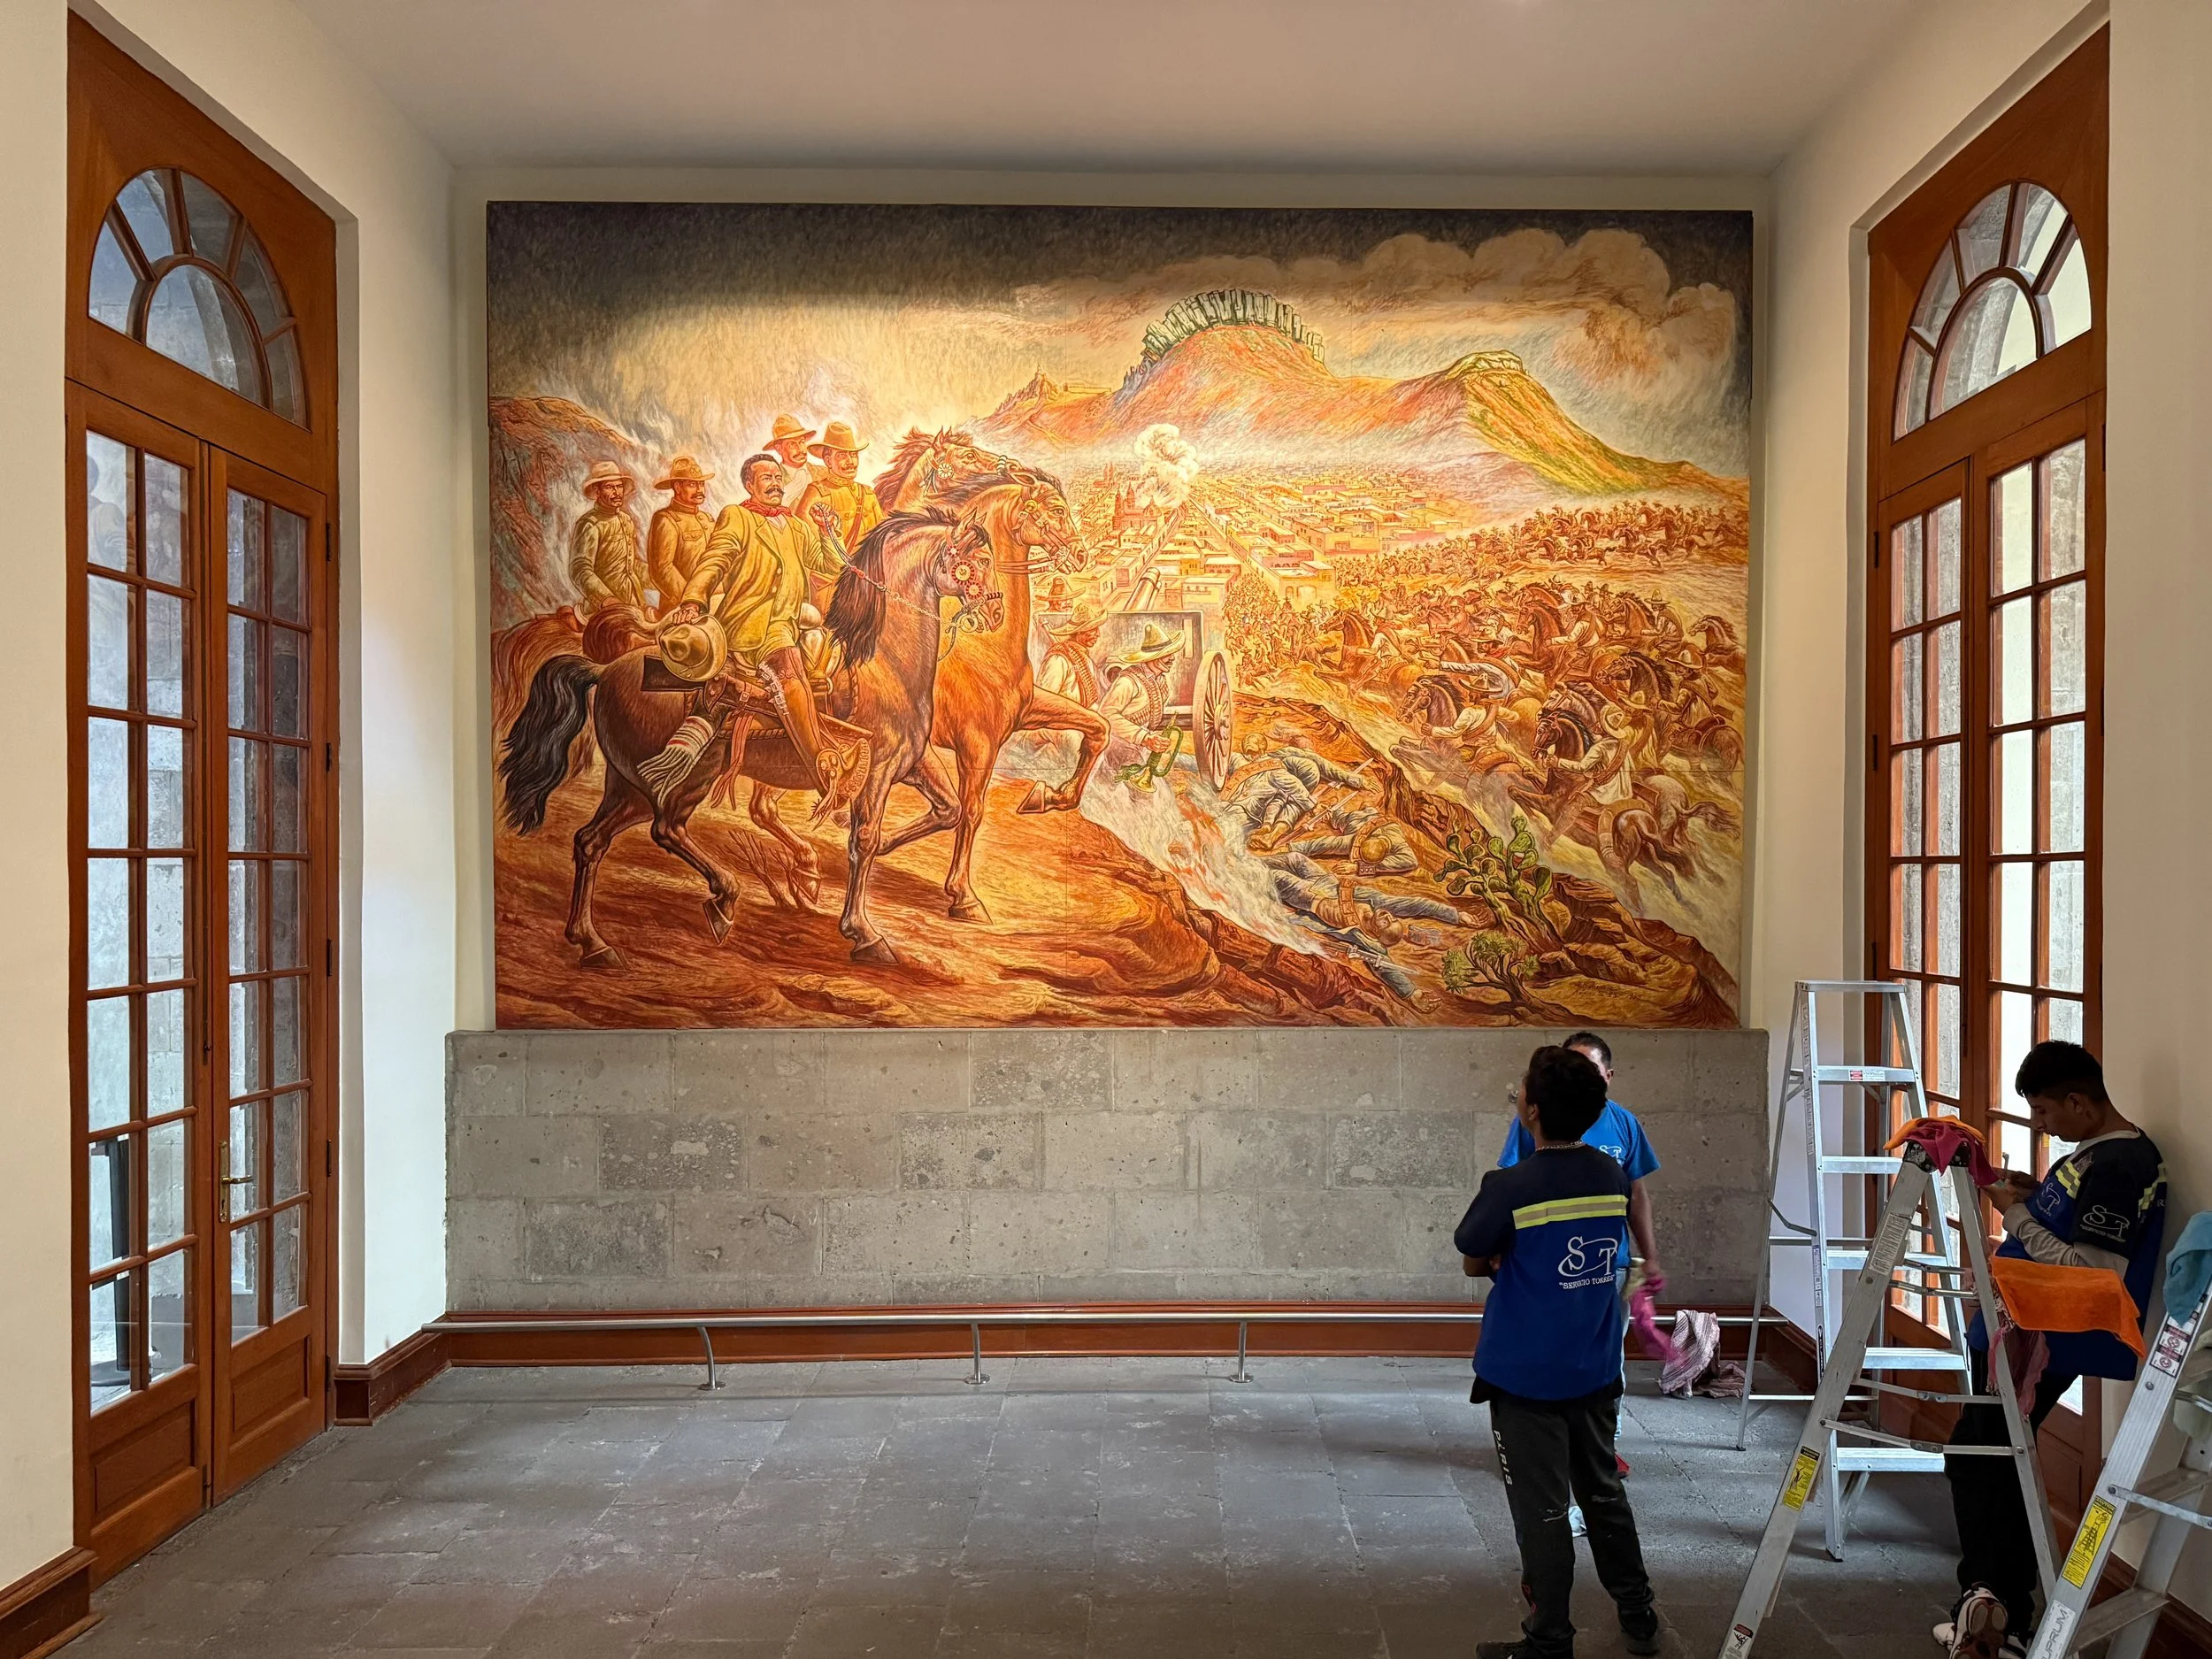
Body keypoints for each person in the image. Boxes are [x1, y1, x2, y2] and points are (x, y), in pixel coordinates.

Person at [1938, 1041, 2167, 1659]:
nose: (2039, 1124)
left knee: (1983, 1453)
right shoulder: (2097, 1154)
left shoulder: (2119, 1165)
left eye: (2043, 1111)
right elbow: (2077, 1222)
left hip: (2047, 1335)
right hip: (2028, 1326)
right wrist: (2036, 1195)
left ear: (2079, 1102)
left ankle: (1993, 1604)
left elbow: (2093, 1271)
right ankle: (1999, 1606)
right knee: (1990, 1453)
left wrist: (2015, 1216)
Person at [1455, 1045, 1662, 1659]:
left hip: (1525, 1374)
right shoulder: (1610, 1175)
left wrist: (1508, 1257)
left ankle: (1549, 1639)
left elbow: (1473, 1258)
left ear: (1533, 1110)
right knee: (1603, 1492)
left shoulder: (1510, 1185)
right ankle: (1639, 1615)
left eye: (1521, 1089)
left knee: (1542, 1510)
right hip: (1594, 1365)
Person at [647, 452, 856, 803]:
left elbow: (829, 566)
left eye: (777, 477)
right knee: (790, 678)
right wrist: (693, 600)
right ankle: (824, 774)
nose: (775, 483)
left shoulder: (797, 526)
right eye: (766, 478)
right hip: (751, 624)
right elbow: (714, 560)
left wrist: (828, 531)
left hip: (786, 623)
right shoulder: (738, 516)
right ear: (749, 485)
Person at [1498, 1032, 1663, 1285]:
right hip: (1548, 1262)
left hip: (1608, 1263)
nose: (1579, 1078)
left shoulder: (1624, 1123)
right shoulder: (1533, 1122)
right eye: (1573, 1068)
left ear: (1608, 1077)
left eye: (1589, 1070)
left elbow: (1636, 1194)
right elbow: (1509, 1190)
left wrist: (1650, 1257)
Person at [1099, 621, 1187, 789]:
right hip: (1117, 747)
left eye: (1171, 653)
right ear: (1152, 658)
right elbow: (1106, 715)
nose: (1172, 658)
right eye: (1167, 654)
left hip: (1139, 747)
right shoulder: (1128, 682)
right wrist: (1145, 738)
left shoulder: (1161, 682)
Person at [568, 459, 644, 618]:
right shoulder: (589, 524)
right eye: (610, 487)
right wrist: (607, 600)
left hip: (634, 608)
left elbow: (630, 565)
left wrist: (661, 580)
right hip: (603, 614)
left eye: (619, 486)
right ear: (597, 491)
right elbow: (580, 569)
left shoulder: (625, 519)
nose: (617, 493)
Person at [795, 420, 885, 549]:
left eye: (853, 455)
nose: (850, 461)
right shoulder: (817, 493)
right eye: (842, 455)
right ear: (828, 461)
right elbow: (807, 546)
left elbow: (882, 541)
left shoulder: (868, 493)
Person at [645, 455, 715, 606]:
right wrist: (691, 600)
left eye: (701, 484)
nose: (699, 490)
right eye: (692, 485)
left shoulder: (707, 519)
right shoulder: (666, 519)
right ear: (677, 487)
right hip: (681, 607)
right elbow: (663, 569)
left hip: (714, 601)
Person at [762, 414, 823, 504]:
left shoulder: (823, 473)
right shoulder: (770, 482)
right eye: (792, 445)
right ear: (779, 449)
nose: (800, 449)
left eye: (802, 442)